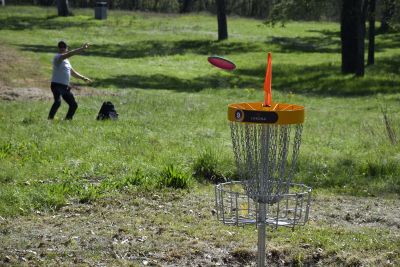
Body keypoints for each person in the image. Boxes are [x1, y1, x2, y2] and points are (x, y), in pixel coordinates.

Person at [48, 41, 92, 120]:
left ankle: (67, 120)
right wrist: (82, 48)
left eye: (64, 47)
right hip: (56, 85)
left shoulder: (67, 61)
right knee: (57, 102)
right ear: (58, 48)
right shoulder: (58, 57)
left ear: (66, 48)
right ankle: (50, 119)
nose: (62, 48)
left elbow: (72, 72)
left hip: (65, 87)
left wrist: (83, 78)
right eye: (60, 47)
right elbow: (69, 54)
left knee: (73, 105)